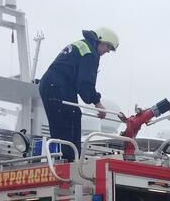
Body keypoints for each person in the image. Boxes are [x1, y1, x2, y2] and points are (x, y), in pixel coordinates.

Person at [39, 28, 120, 162]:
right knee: (69, 121)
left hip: (51, 85)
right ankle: (69, 161)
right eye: (108, 47)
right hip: (58, 87)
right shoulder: (90, 53)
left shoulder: (82, 45)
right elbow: (85, 83)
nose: (107, 51)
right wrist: (97, 102)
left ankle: (63, 157)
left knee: (70, 117)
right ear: (100, 39)